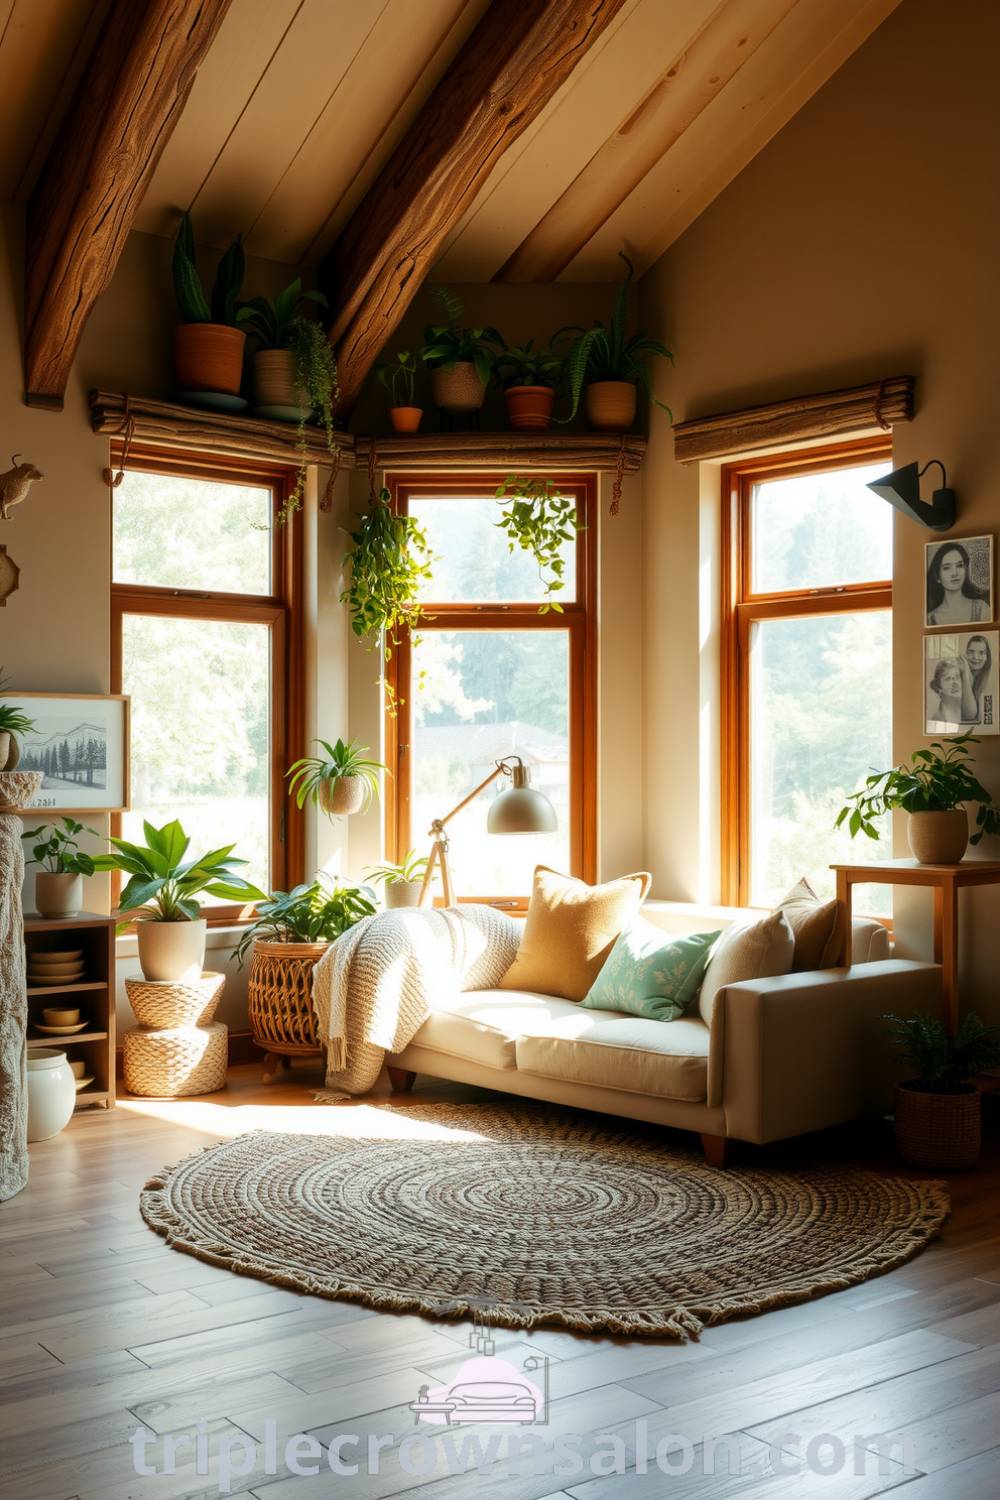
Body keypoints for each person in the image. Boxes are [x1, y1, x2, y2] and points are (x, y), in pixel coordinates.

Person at [926, 542, 990, 625]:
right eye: (947, 568)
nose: (955, 573)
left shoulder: (981, 608)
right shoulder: (930, 618)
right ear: (938, 577)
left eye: (959, 565)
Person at [928, 659, 967, 726]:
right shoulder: (938, 720)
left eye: (957, 676)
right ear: (939, 687)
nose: (955, 683)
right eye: (948, 679)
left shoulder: (966, 712)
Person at [964, 633, 993, 719]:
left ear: (987, 657)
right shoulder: (959, 676)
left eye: (981, 653)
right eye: (971, 652)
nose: (975, 657)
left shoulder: (989, 681)